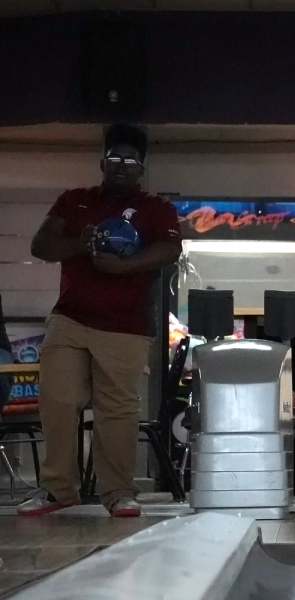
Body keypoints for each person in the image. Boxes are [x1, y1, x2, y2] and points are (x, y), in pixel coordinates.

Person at [17, 123, 183, 517]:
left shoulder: (156, 209)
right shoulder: (75, 201)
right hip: (70, 319)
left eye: (130, 161)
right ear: (102, 163)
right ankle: (58, 489)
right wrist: (80, 244)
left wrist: (123, 268)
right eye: (114, 159)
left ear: (141, 168)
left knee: (117, 411)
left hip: (125, 325)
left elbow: (170, 249)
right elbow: (40, 245)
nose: (122, 167)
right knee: (57, 400)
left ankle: (119, 493)